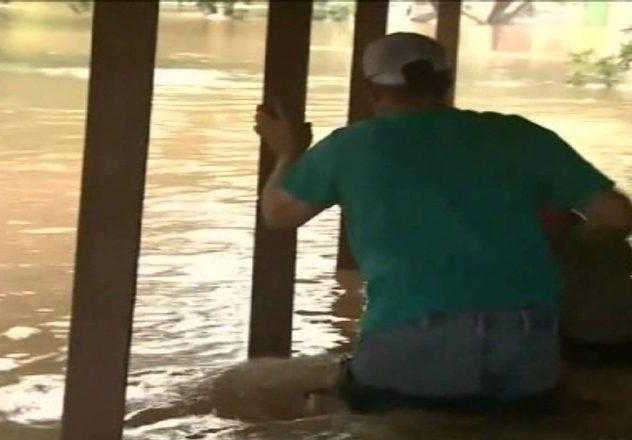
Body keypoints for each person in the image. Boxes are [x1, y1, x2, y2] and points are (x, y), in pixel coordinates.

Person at [254, 32, 632, 411]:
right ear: (447, 83)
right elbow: (618, 216)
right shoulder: (520, 135)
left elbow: (277, 215)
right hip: (525, 346)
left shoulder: (349, 146)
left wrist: (287, 153)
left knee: (334, 400)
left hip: (410, 346)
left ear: (371, 89)